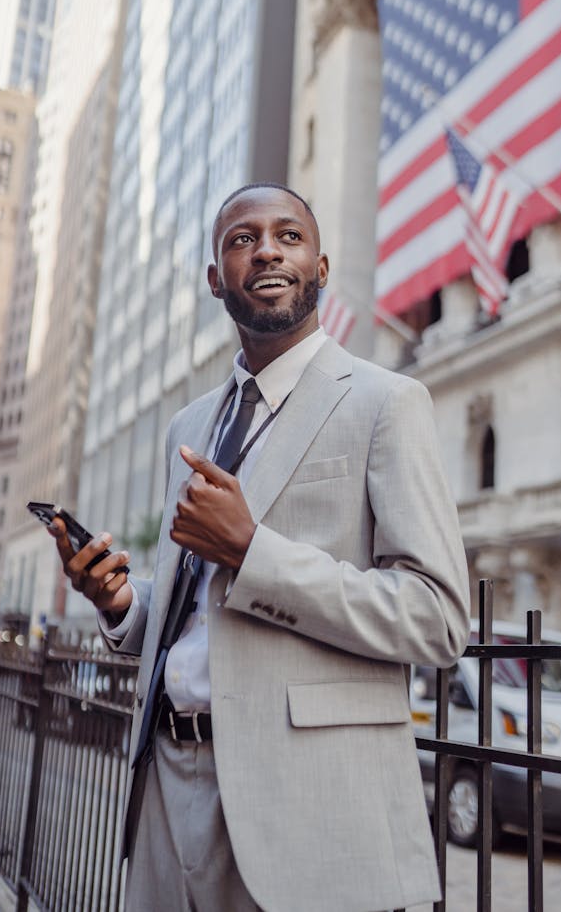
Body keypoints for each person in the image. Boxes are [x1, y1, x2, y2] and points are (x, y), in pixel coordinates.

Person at [49, 183, 470, 912]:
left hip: (308, 807)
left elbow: (435, 618)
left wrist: (254, 551)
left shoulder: (385, 403)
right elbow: (203, 619)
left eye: (289, 236)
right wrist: (121, 602)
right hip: (167, 789)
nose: (267, 249)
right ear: (217, 277)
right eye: (243, 239)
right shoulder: (191, 421)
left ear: (321, 265)